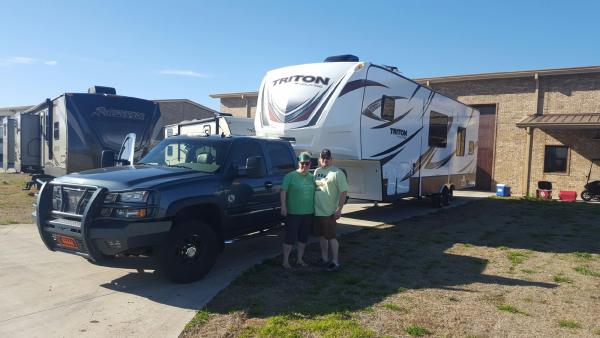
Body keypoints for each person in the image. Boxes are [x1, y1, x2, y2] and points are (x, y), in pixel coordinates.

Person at [313, 148, 348, 272]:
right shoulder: (317, 171)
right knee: (322, 236)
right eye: (323, 158)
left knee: (331, 237)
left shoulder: (337, 173)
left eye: (327, 158)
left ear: (331, 159)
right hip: (317, 211)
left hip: (329, 212)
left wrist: (339, 209)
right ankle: (324, 258)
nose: (325, 160)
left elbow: (344, 192)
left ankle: (335, 261)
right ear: (319, 159)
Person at [280, 152, 315, 269]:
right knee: (290, 237)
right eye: (302, 163)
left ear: (310, 164)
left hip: (308, 212)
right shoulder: (290, 176)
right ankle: (285, 261)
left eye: (307, 163)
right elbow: (283, 191)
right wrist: (283, 206)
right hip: (293, 213)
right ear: (298, 163)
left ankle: (300, 259)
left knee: (303, 237)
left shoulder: (312, 177)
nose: (305, 166)